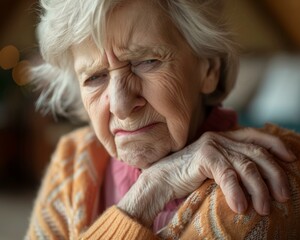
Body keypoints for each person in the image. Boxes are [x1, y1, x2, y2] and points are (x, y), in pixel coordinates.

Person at [25, 0, 300, 239]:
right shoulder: (73, 160)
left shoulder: (257, 178)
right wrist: (151, 191)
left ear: (209, 69)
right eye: (95, 77)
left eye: (146, 61)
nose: (121, 106)